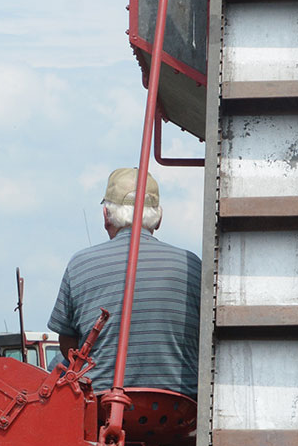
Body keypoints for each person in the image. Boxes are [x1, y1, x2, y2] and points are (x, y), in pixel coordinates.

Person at [48, 168, 202, 398]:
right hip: (181, 410)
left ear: (106, 215)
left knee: (55, 367)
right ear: (158, 218)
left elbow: (68, 346)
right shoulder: (193, 264)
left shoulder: (80, 263)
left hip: (103, 407)